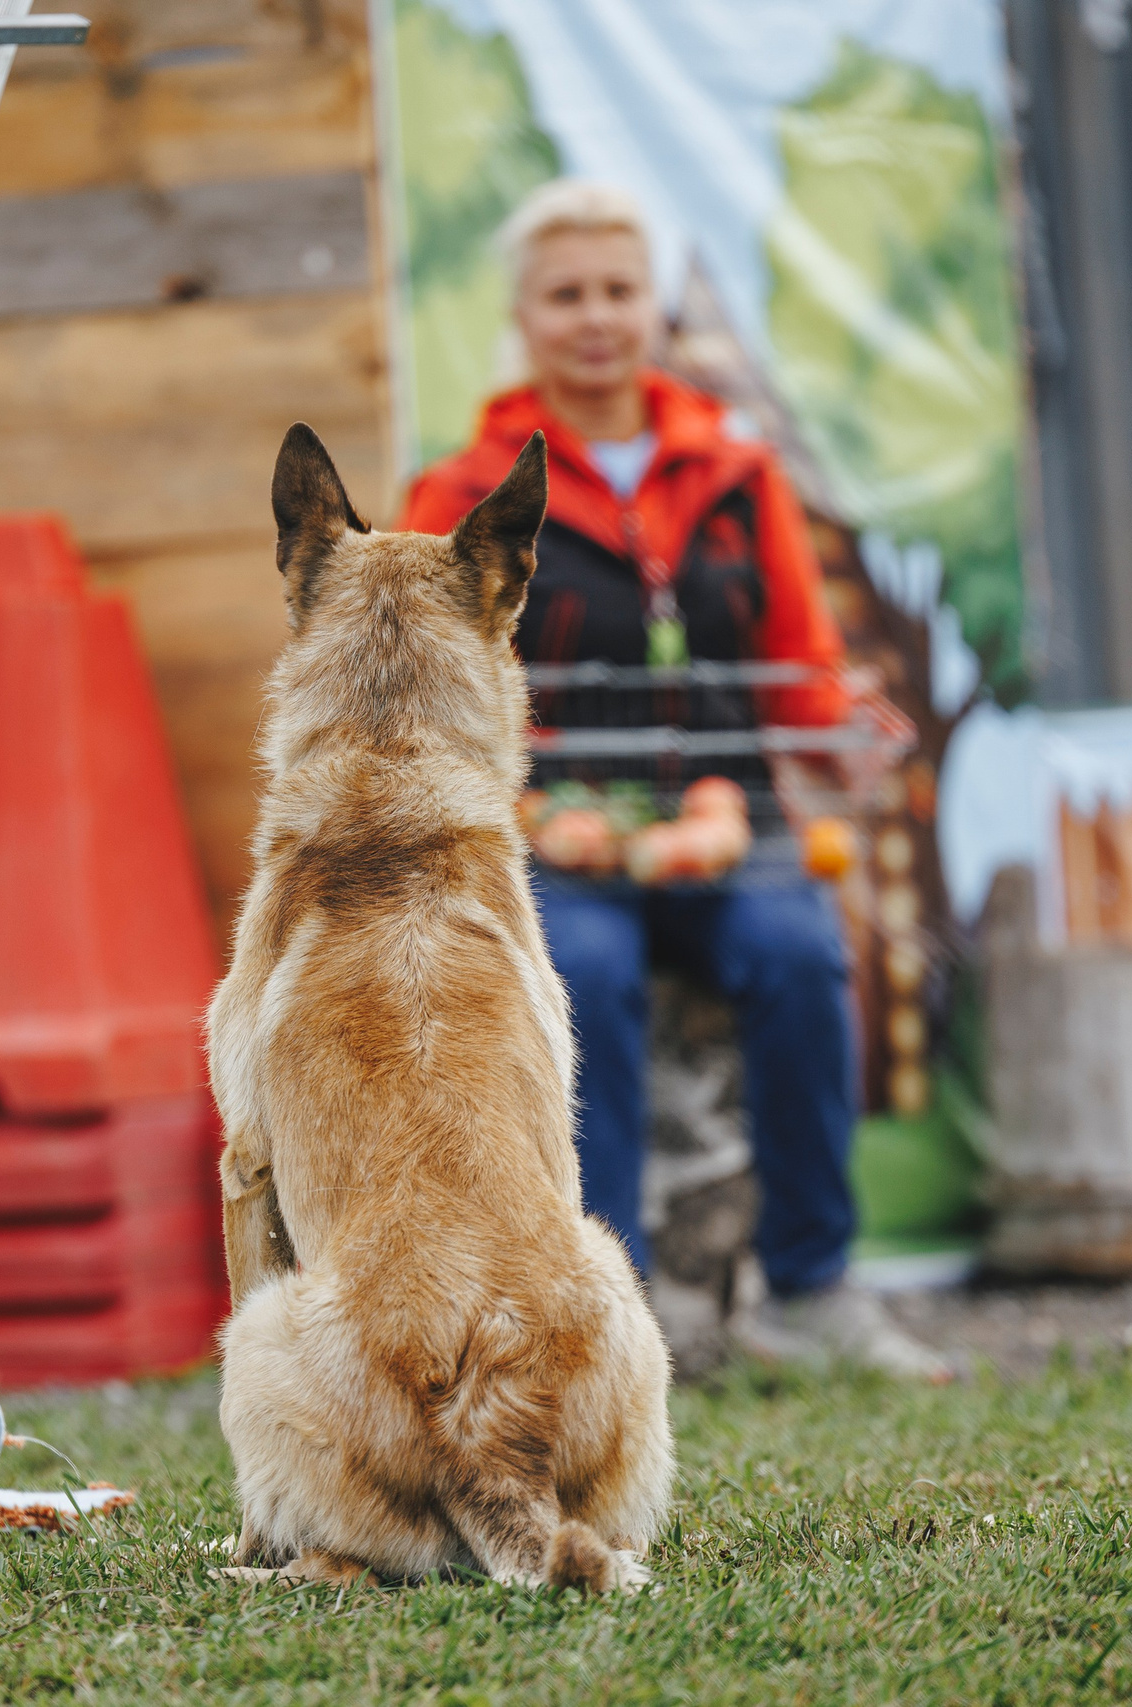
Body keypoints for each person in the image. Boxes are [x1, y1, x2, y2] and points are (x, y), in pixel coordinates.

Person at [399, 180, 949, 1382]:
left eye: (617, 290)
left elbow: (798, 668)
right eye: (565, 295)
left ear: (652, 306)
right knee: (581, 974)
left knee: (803, 956)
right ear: (523, 317)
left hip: (730, 817)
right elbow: (425, 698)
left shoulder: (738, 474)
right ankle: (613, 1311)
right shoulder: (457, 497)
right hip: (550, 831)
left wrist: (850, 724)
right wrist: (521, 808)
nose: (595, 317)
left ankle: (813, 1288)